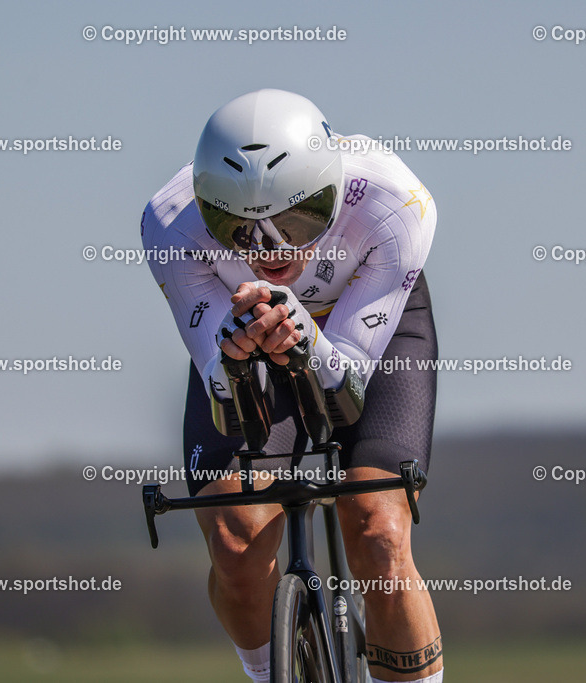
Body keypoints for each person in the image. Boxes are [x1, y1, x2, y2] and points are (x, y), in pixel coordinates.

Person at [142, 89, 441, 683]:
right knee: (235, 542)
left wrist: (307, 335)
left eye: (294, 221)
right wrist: (234, 354)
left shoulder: (394, 202)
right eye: (238, 229)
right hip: (248, 329)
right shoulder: (171, 223)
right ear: (207, 209)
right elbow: (223, 394)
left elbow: (346, 392)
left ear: (331, 192)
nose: (269, 250)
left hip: (365, 330)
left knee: (379, 536)